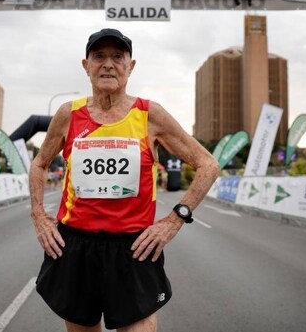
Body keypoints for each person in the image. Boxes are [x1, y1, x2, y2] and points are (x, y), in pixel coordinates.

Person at [30, 28, 219, 332]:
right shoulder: (68, 114)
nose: (108, 64)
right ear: (86, 65)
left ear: (130, 66)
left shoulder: (149, 114)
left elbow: (208, 164)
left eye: (118, 57)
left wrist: (173, 220)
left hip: (135, 248)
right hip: (76, 245)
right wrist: (39, 215)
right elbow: (39, 163)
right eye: (99, 56)